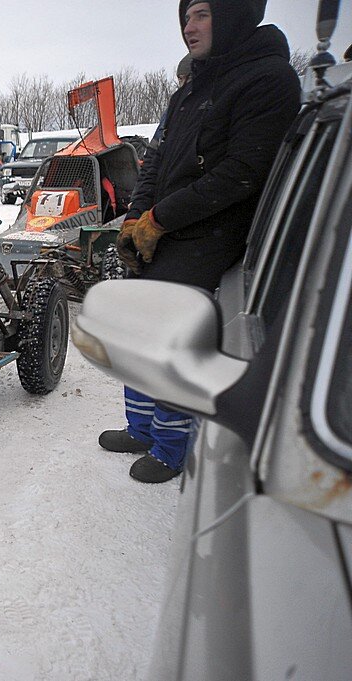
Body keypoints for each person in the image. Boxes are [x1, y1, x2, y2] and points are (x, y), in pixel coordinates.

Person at [103, 0, 301, 483]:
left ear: (233, 16)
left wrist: (160, 219)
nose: (189, 27)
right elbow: (155, 161)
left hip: (214, 232)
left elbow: (242, 173)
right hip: (166, 226)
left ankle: (173, 447)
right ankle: (142, 427)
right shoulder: (192, 86)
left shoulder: (268, 78)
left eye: (203, 15)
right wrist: (135, 218)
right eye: (186, 16)